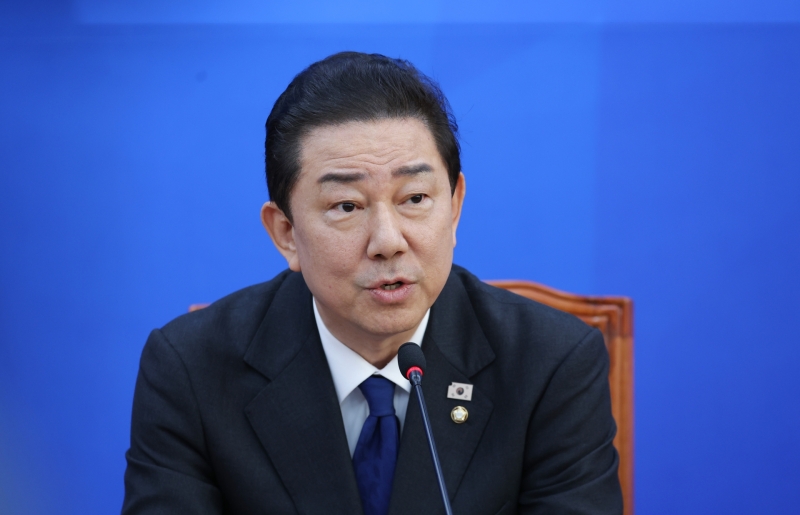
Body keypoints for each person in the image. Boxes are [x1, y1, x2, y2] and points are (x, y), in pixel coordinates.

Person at [122, 51, 622, 514]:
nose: (388, 241)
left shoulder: (550, 364)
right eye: (347, 206)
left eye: (415, 199)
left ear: (455, 207)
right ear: (286, 233)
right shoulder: (191, 370)